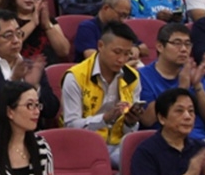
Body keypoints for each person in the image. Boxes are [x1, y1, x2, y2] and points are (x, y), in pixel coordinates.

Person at [61, 22, 143, 167]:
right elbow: (71, 126)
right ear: (100, 45)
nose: (122, 59)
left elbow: (129, 132)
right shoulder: (75, 77)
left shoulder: (132, 77)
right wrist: (105, 119)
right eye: (117, 52)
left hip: (118, 146)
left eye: (127, 54)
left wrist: (130, 122)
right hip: (84, 146)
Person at [0, 10, 59, 127]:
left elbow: (51, 111)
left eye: (18, 33)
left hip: (30, 134)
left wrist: (36, 87)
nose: (16, 40)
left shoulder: (31, 67)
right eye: (8, 36)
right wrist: (12, 80)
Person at [137, 23, 205, 141]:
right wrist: (181, 89)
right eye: (177, 43)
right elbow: (147, 120)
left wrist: (197, 85)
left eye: (187, 44)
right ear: (160, 46)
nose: (184, 49)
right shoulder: (143, 76)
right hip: (165, 142)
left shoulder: (192, 73)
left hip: (199, 140)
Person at [0, 0, 70, 65]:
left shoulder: (46, 19)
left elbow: (64, 51)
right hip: (19, 68)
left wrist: (47, 25)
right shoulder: (5, 19)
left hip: (49, 67)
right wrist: (33, 23)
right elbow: (8, 46)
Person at [73, 0, 146, 62]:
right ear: (106, 8)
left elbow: (145, 49)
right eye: (121, 15)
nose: (123, 20)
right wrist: (124, 65)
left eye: (126, 16)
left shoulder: (121, 27)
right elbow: (93, 58)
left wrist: (137, 48)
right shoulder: (87, 28)